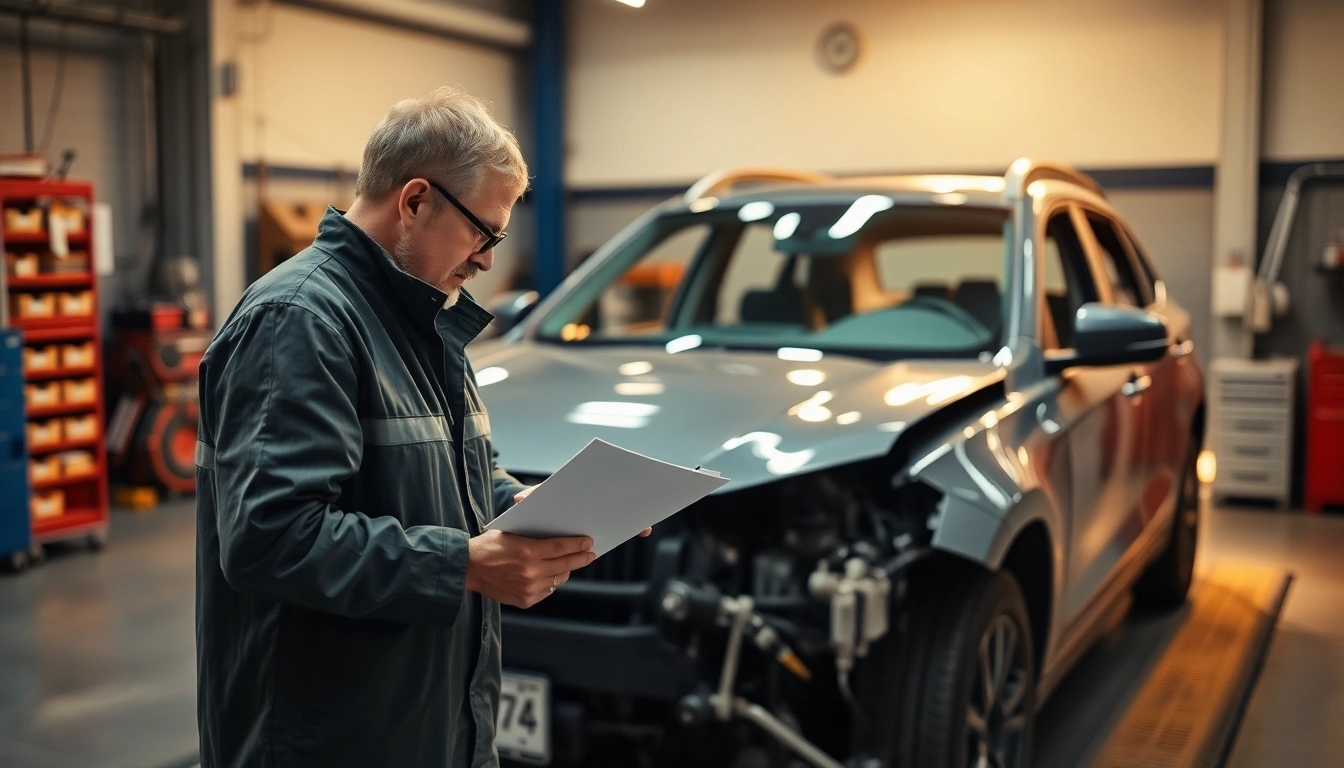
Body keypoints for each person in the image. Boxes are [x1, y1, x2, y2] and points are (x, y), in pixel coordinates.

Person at [195, 87, 643, 767]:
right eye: (484, 232)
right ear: (414, 202)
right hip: (328, 740)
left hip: (429, 727)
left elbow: (451, 477)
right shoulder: (300, 320)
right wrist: (461, 563)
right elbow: (269, 537)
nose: (490, 258)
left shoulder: (424, 321)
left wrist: (523, 508)